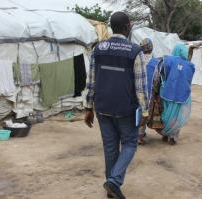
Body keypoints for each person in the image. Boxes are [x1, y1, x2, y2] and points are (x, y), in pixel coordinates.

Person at [84, 12, 149, 199]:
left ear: (112, 26)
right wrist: (144, 110)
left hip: (102, 108)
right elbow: (140, 85)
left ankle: (111, 189)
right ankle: (114, 182)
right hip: (126, 110)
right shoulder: (135, 51)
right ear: (128, 27)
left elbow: (92, 80)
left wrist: (88, 108)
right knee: (130, 143)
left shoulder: (99, 49)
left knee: (110, 148)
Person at [159, 43, 195, 145]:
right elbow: (189, 79)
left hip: (167, 93)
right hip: (183, 94)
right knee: (177, 116)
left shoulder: (168, 60)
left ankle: (165, 134)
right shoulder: (190, 65)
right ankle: (173, 137)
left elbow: (163, 74)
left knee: (166, 114)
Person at [138, 38, 163, 145]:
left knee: (137, 111)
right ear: (151, 48)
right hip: (149, 93)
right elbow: (157, 79)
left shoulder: (136, 59)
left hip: (136, 92)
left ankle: (137, 133)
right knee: (145, 112)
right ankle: (139, 135)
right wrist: (156, 92)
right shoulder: (156, 63)